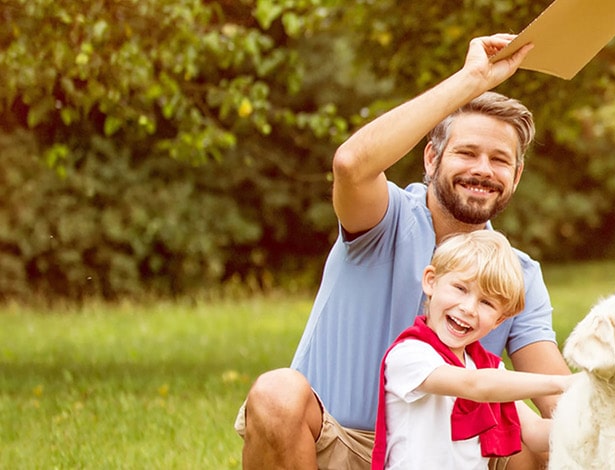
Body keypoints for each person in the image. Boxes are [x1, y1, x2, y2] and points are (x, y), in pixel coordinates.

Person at [237, 34, 570, 469]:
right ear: (431, 158)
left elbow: (558, 397)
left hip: (446, 457)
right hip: (338, 448)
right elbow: (351, 164)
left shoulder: (516, 273)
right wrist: (472, 80)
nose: (482, 170)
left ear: (517, 174)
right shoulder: (383, 218)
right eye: (467, 152)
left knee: (544, 444)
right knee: (277, 392)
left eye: (500, 160)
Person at [372, 230, 573, 469]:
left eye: (486, 303)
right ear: (431, 281)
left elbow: (534, 431)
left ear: (499, 320)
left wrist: (604, 424)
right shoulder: (409, 354)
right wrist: (562, 383)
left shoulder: (486, 367)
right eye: (460, 288)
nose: (468, 308)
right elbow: (474, 385)